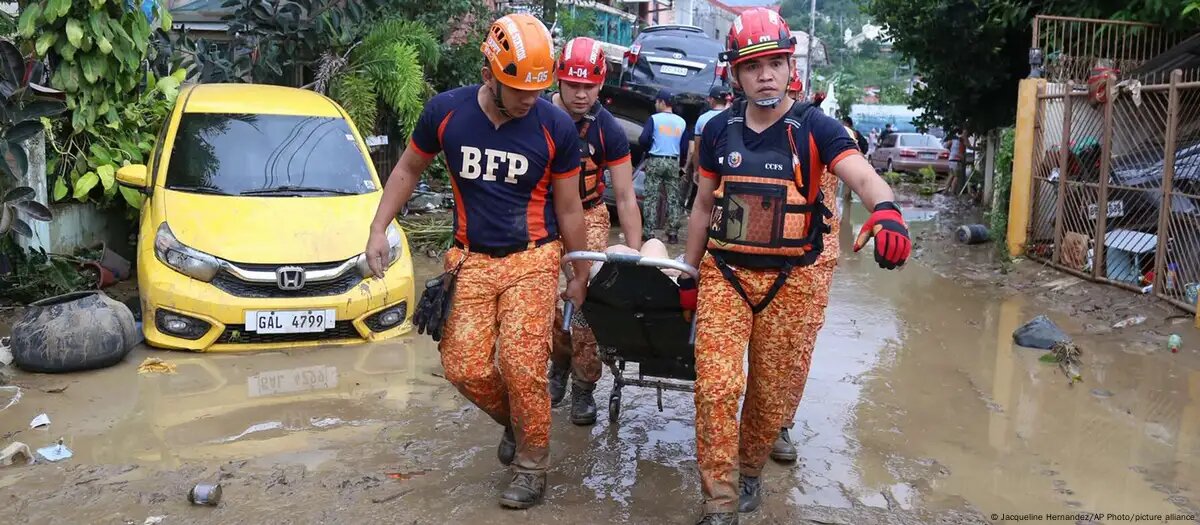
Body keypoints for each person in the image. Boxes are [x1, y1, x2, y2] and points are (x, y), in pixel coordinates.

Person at [680, 8, 912, 524]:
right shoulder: (718, 130)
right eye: (752, 65)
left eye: (775, 63)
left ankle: (751, 470)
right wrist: (689, 275)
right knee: (717, 386)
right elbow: (702, 207)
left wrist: (888, 211)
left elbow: (863, 177)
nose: (765, 74)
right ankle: (718, 501)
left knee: (767, 397)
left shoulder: (816, 128)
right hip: (726, 276)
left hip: (792, 284)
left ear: (790, 68)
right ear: (735, 75)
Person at [364, 13, 591, 510]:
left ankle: (532, 464)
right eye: (517, 88)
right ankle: (517, 420)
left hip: (534, 258)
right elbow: (407, 169)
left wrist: (579, 274)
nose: (530, 98)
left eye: (537, 87)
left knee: (522, 363)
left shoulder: (555, 127)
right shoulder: (446, 113)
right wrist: (379, 228)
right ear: (489, 73)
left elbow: (571, 207)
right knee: (462, 366)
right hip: (469, 260)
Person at [545, 36, 643, 426]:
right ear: (559, 80)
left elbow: (625, 195)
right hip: (543, 218)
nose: (581, 94)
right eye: (573, 85)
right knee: (544, 305)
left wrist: (634, 258)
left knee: (586, 304)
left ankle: (584, 387)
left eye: (589, 86)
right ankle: (558, 365)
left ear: (601, 83)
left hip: (589, 216)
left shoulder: (608, 131)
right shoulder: (535, 116)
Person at [639, 88, 689, 244]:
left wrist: (648, 150)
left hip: (655, 160)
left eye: (656, 101)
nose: (655, 104)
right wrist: (681, 166)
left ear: (661, 102)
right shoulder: (681, 122)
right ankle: (673, 233)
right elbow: (685, 146)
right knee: (674, 198)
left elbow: (643, 139)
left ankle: (649, 233)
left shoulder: (654, 119)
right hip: (673, 161)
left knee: (651, 197)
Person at [684, 85, 733, 209]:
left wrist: (696, 170)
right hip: (729, 166)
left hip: (708, 168)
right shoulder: (734, 117)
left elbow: (697, 149)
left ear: (711, 100)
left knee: (706, 204)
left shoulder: (703, 119)